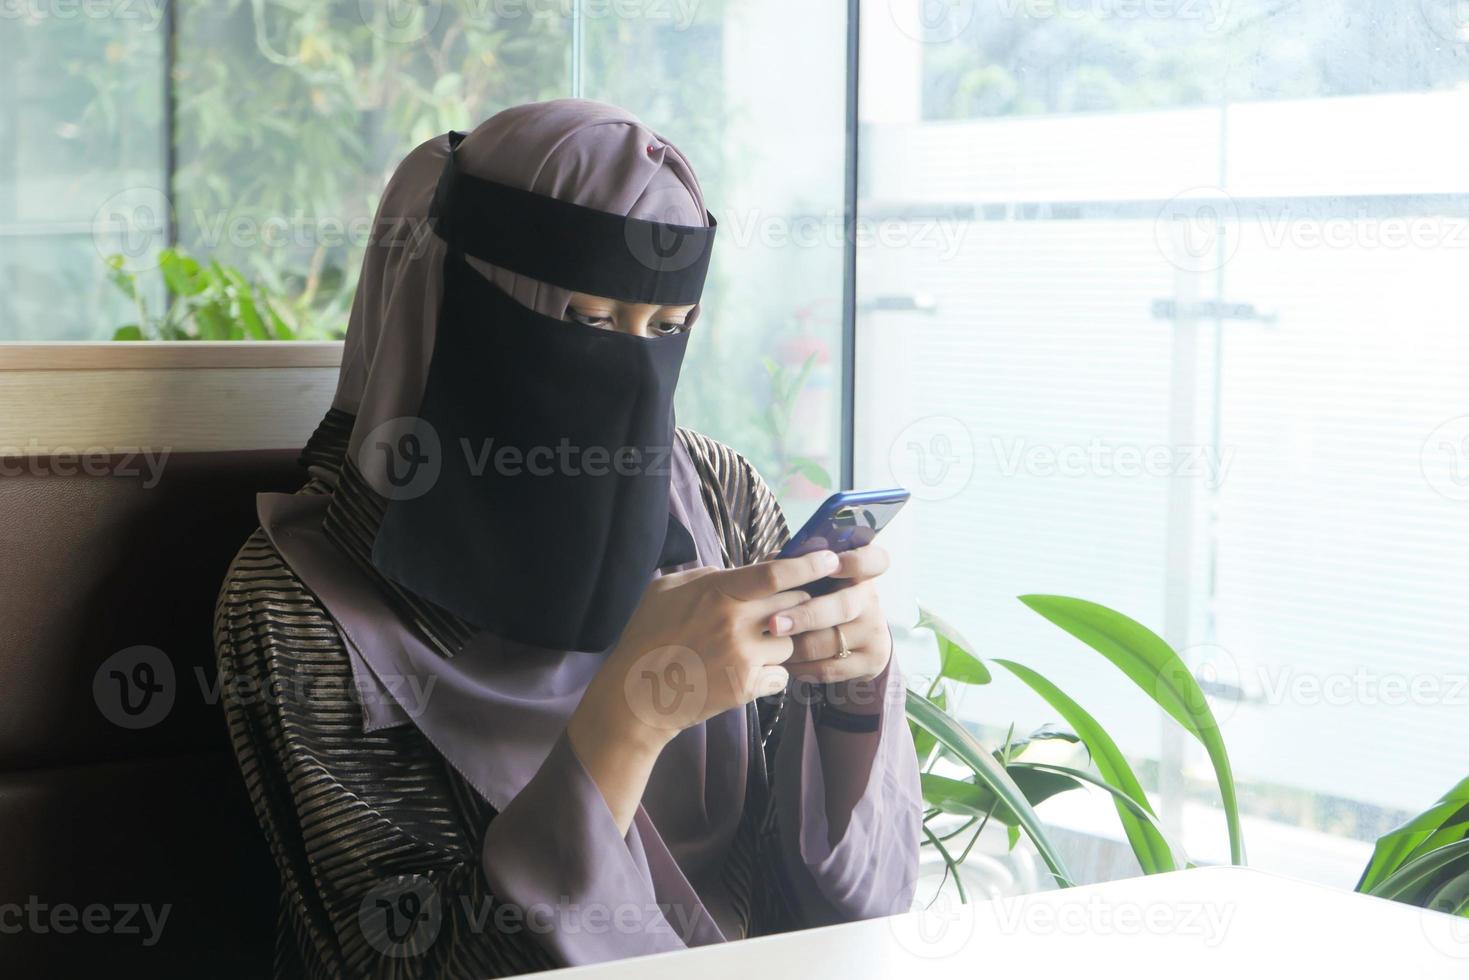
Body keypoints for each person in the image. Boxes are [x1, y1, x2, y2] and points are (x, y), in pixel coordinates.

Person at [214, 98, 921, 978]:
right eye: (588, 320)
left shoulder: (721, 497)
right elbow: (399, 959)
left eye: (665, 329)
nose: (629, 373)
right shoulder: (300, 600)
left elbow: (808, 918)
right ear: (454, 304)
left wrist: (847, 700)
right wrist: (627, 721)